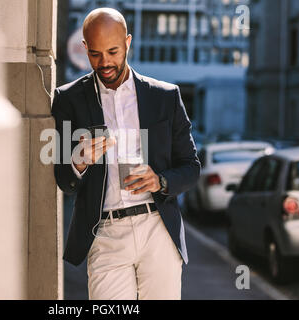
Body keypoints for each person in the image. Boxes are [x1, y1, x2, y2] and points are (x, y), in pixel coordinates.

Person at [51, 8, 200, 300]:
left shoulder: (165, 97)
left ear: (128, 42)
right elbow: (62, 178)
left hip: (157, 227)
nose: (105, 62)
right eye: (95, 54)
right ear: (84, 48)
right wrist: (77, 162)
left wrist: (160, 181)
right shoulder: (68, 100)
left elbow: (191, 168)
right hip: (104, 233)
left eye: (113, 51)